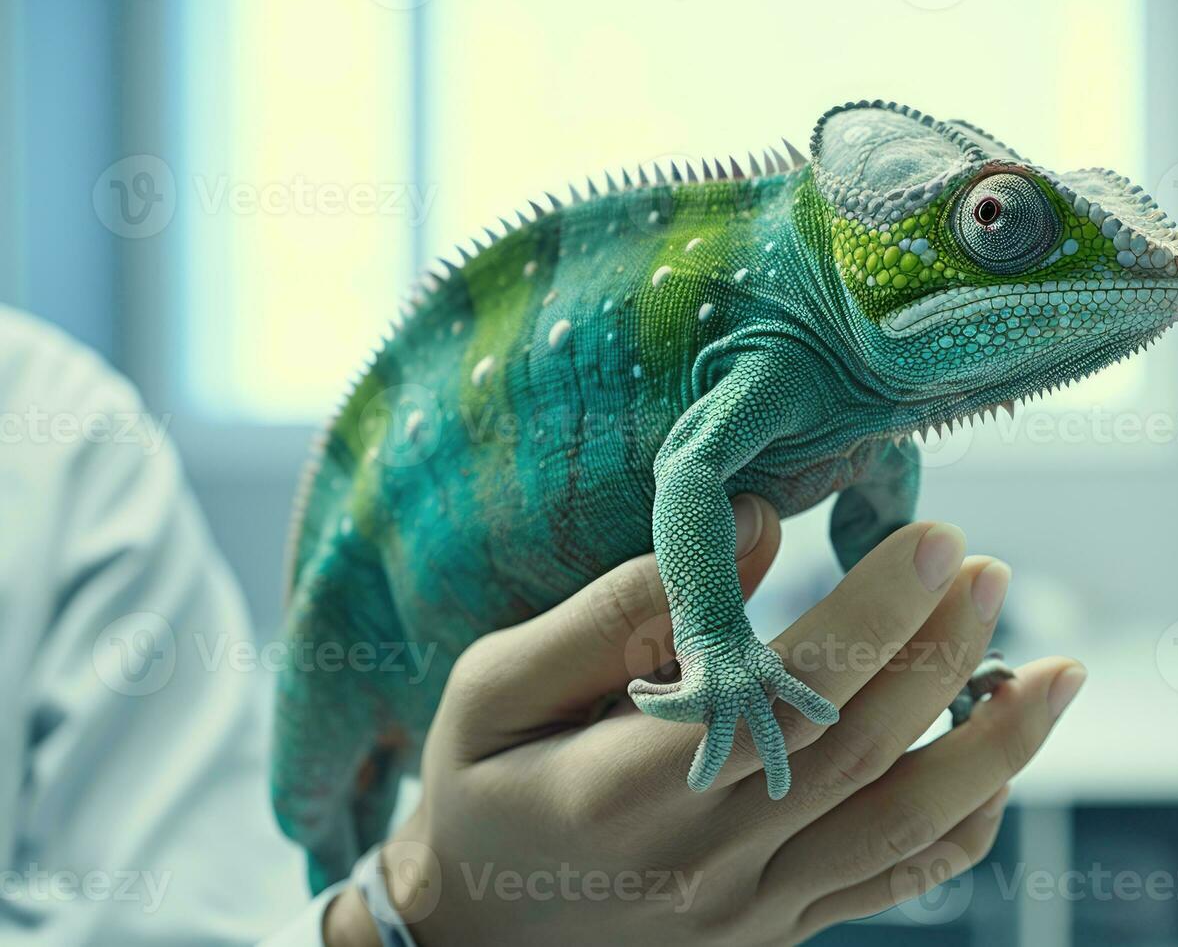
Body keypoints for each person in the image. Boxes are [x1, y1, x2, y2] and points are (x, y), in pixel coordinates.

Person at [0, 304, 1086, 945]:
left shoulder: (57, 425)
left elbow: (174, 918)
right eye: (994, 225)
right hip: (374, 590)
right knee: (314, 804)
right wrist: (411, 912)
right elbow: (693, 465)